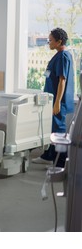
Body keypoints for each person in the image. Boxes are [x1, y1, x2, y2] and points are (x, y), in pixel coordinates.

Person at [32, 27, 75, 168]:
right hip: (53, 99)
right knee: (53, 129)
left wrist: (57, 103)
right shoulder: (59, 55)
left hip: (58, 101)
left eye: (50, 40)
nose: (48, 43)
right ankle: (48, 156)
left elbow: (62, 80)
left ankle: (60, 162)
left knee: (58, 132)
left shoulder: (63, 56)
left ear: (59, 41)